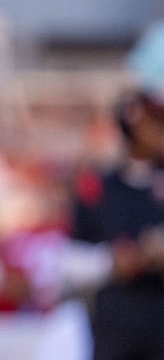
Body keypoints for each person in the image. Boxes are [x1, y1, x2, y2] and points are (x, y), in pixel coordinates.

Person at [67, 23, 164, 360]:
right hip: (116, 330)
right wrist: (111, 262)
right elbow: (68, 259)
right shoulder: (98, 185)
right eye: (156, 118)